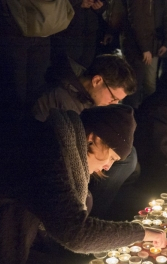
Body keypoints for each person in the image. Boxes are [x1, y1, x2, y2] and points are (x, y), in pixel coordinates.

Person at [0, 105, 167, 264]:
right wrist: (141, 233)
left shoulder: (56, 139)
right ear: (92, 138)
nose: (108, 167)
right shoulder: (47, 155)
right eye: (111, 157)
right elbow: (75, 233)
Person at [34, 54, 139, 219]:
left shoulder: (87, 94)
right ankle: (92, 218)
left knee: (127, 155)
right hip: (52, 168)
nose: (114, 104)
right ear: (97, 81)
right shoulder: (61, 101)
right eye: (113, 98)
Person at [0, 0, 53, 132]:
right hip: (9, 31)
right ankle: (11, 137)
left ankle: (23, 135)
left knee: (33, 95)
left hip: (40, 28)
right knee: (11, 94)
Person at [120, 0, 167, 109]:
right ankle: (129, 112)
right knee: (134, 82)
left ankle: (147, 111)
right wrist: (144, 48)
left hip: (153, 45)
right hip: (134, 47)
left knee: (150, 82)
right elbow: (136, 22)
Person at [51, 0, 105, 69]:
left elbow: (105, 5)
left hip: (90, 31)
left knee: (85, 66)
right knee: (66, 67)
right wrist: (78, 3)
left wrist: (99, 5)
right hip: (68, 31)